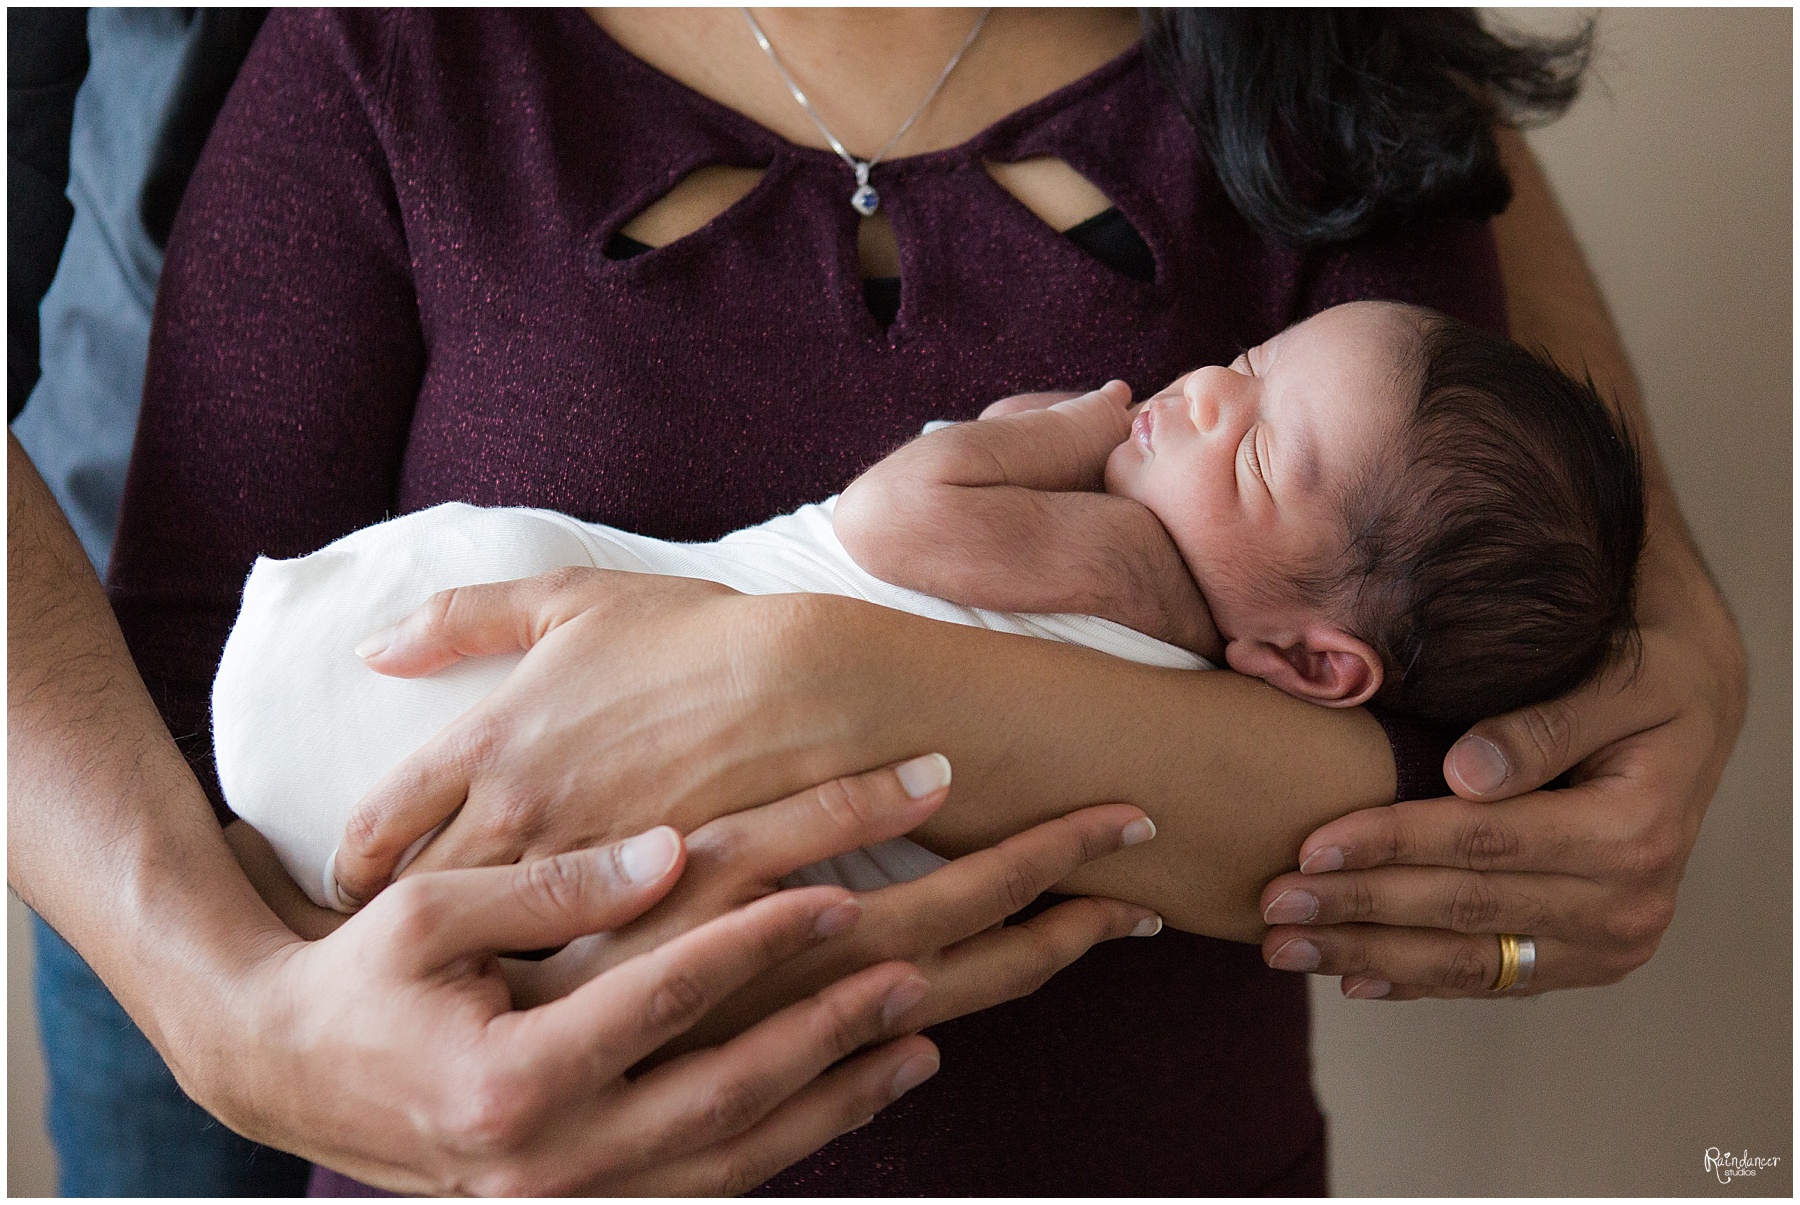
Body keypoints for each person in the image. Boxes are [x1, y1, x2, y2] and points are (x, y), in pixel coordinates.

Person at [98, 9, 1745, 1195]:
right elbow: (188, 705)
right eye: (1223, 370)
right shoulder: (401, 56)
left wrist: (820, 679)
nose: (1209, 400)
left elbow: (1409, 803)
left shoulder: (1325, 85)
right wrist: (303, 1020)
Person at [212, 300, 1643, 918]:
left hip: (429, 717)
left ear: (1319, 661)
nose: (1207, 392)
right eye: (1251, 358)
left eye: (1259, 450)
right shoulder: (1205, 681)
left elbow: (892, 518)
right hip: (449, 721)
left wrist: (1049, 437)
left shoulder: (1111, 556)